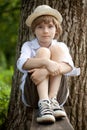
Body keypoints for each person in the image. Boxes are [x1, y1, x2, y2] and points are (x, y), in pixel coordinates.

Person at [17, 5, 80, 123]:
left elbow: (70, 67)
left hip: (58, 95)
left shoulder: (61, 46)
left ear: (56, 29)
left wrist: (45, 70)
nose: (45, 31)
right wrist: (46, 62)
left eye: (50, 27)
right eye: (40, 27)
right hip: (33, 93)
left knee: (57, 49)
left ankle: (51, 100)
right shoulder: (28, 46)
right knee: (43, 51)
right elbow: (22, 64)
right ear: (34, 31)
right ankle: (44, 102)